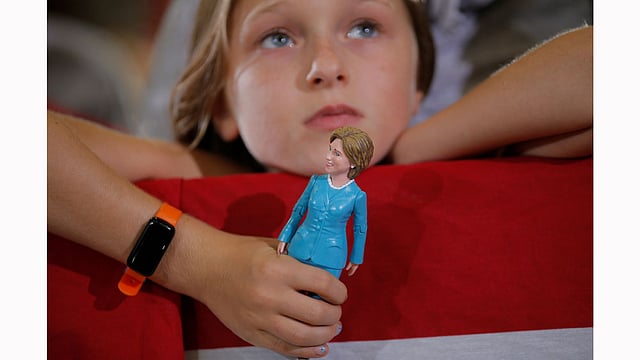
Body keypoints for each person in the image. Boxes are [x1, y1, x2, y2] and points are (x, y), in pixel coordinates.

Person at [48, 0, 592, 358]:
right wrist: (199, 262)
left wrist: (417, 149)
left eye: (364, 27)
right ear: (223, 105)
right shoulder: (201, 173)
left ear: (417, 86)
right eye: (278, 37)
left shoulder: (487, 159)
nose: (325, 64)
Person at [277, 127, 374, 281]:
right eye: (329, 150)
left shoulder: (358, 196)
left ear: (354, 163)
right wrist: (285, 235)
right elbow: (299, 210)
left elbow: (360, 229)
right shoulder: (315, 181)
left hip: (331, 256)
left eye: (336, 154)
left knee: (320, 298)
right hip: (299, 246)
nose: (328, 157)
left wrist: (356, 257)